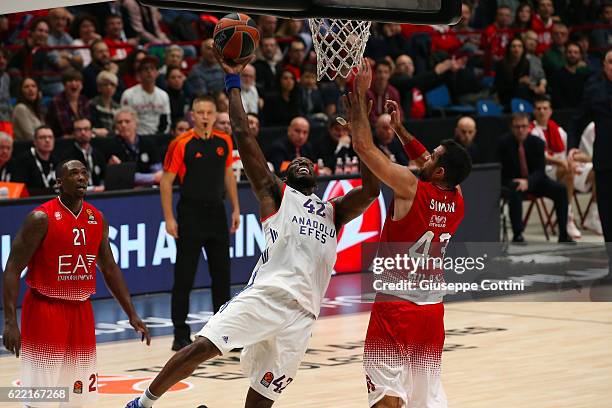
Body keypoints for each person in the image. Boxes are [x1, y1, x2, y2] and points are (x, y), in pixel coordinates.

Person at [125, 47, 380, 408]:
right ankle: (143, 403)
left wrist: (360, 128)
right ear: (287, 176)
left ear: (318, 177)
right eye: (297, 161)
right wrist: (231, 81)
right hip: (268, 295)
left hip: (303, 315)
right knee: (203, 346)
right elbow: (243, 135)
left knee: (262, 400)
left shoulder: (333, 211)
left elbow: (372, 189)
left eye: (309, 160)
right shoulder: (276, 195)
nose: (303, 161)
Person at [348, 59, 472, 408]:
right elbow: (427, 163)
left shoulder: (410, 188)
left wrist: (359, 98)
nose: (426, 155)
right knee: (424, 400)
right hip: (432, 313)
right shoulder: (458, 199)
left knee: (386, 400)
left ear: (439, 170)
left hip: (396, 309)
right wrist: (402, 132)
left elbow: (364, 148)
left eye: (433, 156)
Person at [3, 159, 150, 406]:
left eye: (84, 172)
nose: (81, 177)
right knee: (42, 398)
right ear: (59, 183)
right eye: (73, 173)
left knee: (79, 397)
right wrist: (10, 322)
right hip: (45, 309)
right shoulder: (40, 218)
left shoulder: (97, 218)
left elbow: (110, 268)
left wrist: (131, 313)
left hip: (81, 310)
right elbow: (12, 269)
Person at [160, 96, 240, 351]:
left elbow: (228, 175)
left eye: (209, 112)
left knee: (222, 276)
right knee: (184, 276)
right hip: (190, 213)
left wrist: (236, 208)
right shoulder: (180, 144)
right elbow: (165, 182)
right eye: (200, 112)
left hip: (217, 212)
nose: (205, 116)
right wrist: (169, 218)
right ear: (192, 115)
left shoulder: (224, 141)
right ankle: (180, 333)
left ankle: (223, 332)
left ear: (216, 115)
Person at [499, 112, 573, 243]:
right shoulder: (503, 143)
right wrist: (517, 182)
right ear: (512, 127)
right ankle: (518, 234)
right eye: (517, 127)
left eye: (523, 126)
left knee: (561, 190)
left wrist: (528, 181)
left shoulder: (537, 143)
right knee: (515, 191)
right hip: (513, 182)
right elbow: (500, 171)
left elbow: (540, 170)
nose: (520, 130)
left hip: (534, 181)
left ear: (529, 127)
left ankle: (563, 234)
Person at [571, 49, 612, 279]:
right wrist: (572, 147)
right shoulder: (595, 89)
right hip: (605, 160)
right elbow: (578, 119)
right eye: (610, 62)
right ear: (604, 66)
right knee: (607, 215)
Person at [529, 95, 582, 238]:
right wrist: (563, 162)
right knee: (567, 172)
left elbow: (567, 152)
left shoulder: (558, 130)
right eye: (538, 108)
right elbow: (541, 156)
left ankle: (594, 216)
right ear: (534, 111)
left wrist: (571, 160)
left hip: (562, 170)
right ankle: (568, 218)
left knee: (596, 172)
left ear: (551, 111)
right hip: (542, 172)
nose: (542, 112)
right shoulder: (531, 131)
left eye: (545, 108)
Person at [107, 107, 163, 186]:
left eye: (127, 121)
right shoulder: (111, 145)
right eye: (119, 122)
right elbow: (122, 177)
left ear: (136, 124)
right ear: (116, 126)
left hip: (148, 189)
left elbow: (159, 173)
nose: (123, 125)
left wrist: (151, 177)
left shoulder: (148, 143)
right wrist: (152, 178)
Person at [121, 55, 171, 135]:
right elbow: (125, 120)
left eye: (152, 68)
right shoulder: (128, 94)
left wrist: (159, 136)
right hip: (136, 136)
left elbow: (165, 121)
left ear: (157, 73)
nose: (149, 71)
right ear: (139, 74)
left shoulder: (163, 95)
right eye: (145, 69)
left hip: (157, 137)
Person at [61, 117, 107, 189]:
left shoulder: (98, 153)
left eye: (86, 129)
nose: (83, 132)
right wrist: (93, 189)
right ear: (73, 133)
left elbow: (104, 177)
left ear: (91, 132)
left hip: (100, 195)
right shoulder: (67, 156)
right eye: (79, 130)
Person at [12, 126, 58, 196]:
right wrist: (50, 190)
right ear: (35, 142)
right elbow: (21, 189)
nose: (47, 140)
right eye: (42, 137)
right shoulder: (23, 160)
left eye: (50, 137)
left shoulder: (56, 160)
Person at [45, 69, 90, 139]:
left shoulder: (84, 100)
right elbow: (66, 128)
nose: (74, 83)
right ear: (64, 85)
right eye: (70, 81)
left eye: (77, 80)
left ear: (82, 85)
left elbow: (89, 123)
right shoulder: (57, 101)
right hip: (60, 141)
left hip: (80, 138)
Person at [549, 42, 591, 109]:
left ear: (580, 56)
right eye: (570, 52)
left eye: (576, 52)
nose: (572, 55)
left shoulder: (584, 75)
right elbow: (556, 98)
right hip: (562, 113)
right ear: (565, 54)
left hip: (581, 113)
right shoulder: (557, 75)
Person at [366, 60, 403, 125]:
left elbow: (399, 114)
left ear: (389, 74)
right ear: (374, 73)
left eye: (386, 72)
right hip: (373, 128)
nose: (382, 75)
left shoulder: (393, 92)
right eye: (380, 72)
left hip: (390, 129)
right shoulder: (368, 92)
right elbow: (369, 115)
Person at [89, 70, 121, 137]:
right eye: (105, 84)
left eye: (112, 85)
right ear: (99, 88)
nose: (109, 87)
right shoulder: (92, 104)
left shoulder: (118, 106)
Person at [11, 77, 44, 142]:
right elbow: (30, 136)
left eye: (33, 86)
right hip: (25, 149)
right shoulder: (20, 108)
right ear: (21, 91)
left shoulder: (37, 110)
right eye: (26, 87)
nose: (31, 89)